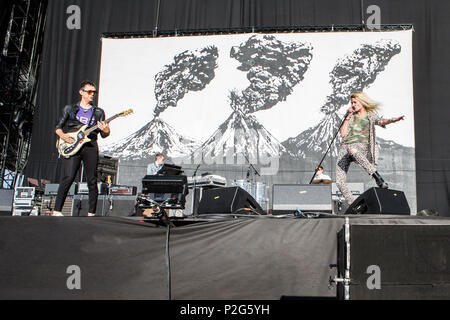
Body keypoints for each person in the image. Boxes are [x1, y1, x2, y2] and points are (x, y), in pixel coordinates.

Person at [52, 80, 110, 216]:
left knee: (92, 179)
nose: (92, 94)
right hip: (72, 144)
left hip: (90, 146)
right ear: (81, 92)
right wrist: (64, 136)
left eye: (94, 92)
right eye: (89, 91)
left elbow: (105, 134)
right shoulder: (69, 108)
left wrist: (106, 129)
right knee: (69, 176)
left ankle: (91, 212)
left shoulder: (98, 112)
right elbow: (58, 127)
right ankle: (57, 210)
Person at [336, 92, 404, 205]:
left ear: (362, 102)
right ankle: (353, 204)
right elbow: (343, 134)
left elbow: (382, 121)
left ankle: (376, 176)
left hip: (361, 147)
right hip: (345, 148)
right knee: (339, 181)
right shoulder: (350, 116)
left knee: (353, 150)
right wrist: (347, 117)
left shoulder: (370, 116)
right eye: (351, 102)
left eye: (355, 102)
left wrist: (393, 120)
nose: (353, 104)